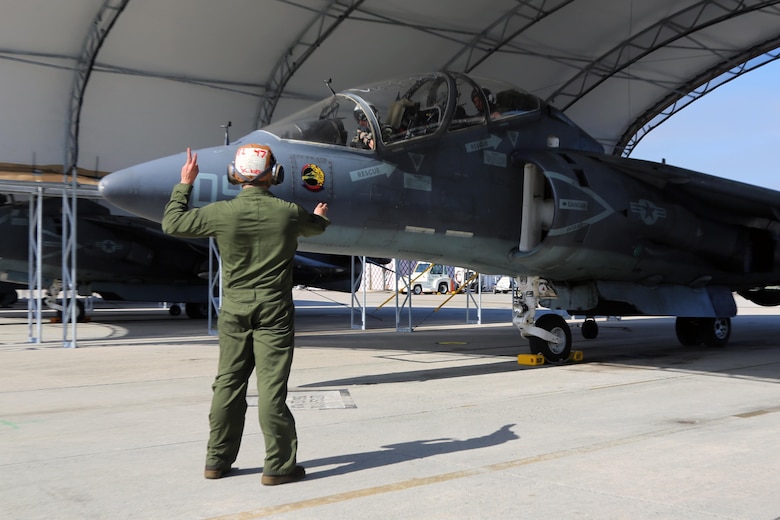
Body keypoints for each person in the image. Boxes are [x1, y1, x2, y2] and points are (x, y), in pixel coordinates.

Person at [162, 145, 330, 485]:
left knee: (228, 383)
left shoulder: (220, 213)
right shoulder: (288, 213)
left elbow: (172, 223)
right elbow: (317, 228)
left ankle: (216, 461)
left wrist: (185, 183)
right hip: (274, 311)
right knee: (271, 389)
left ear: (234, 175)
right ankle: (278, 467)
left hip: (234, 309)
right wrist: (321, 215)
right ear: (274, 174)